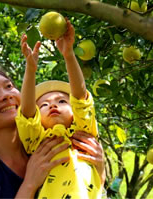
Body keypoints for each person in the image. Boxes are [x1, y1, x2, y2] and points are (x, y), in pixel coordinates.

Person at [0, 67, 105, 198]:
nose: (7, 95)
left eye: (9, 86)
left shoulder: (52, 140)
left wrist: (99, 168)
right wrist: (30, 183)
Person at [16, 19, 104, 198]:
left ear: (74, 111)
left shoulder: (83, 132)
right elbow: (26, 114)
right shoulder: (39, 142)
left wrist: (69, 55)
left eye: (62, 102)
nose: (53, 105)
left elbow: (80, 98)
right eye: (44, 105)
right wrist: (30, 70)